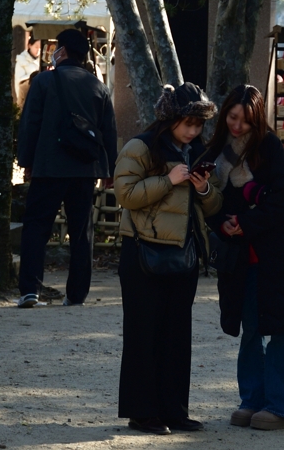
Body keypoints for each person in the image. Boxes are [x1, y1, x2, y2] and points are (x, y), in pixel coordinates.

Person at [114, 83, 222, 435]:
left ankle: (175, 411)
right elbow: (126, 194)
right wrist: (169, 179)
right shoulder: (141, 146)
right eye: (188, 123)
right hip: (142, 252)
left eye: (198, 124)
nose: (193, 131)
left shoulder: (199, 152)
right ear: (171, 119)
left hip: (184, 253)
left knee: (177, 335)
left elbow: (214, 205)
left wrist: (203, 188)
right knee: (143, 333)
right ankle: (142, 412)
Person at [204, 86, 284, 431]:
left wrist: (246, 223)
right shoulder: (216, 152)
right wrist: (223, 223)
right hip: (239, 257)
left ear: (256, 120)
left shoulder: (270, 148)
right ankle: (251, 399)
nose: (237, 126)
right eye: (233, 118)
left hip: (275, 254)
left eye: (245, 121)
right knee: (250, 329)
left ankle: (281, 406)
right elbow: (209, 202)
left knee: (279, 328)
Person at [16, 28, 117, 308]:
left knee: (37, 227)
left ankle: (30, 289)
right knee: (81, 231)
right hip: (85, 168)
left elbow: (30, 124)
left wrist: (26, 161)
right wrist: (109, 169)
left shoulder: (45, 81)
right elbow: (109, 129)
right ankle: (77, 293)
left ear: (62, 50)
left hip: (48, 167)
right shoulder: (98, 86)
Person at [14, 34, 41, 106]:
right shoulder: (21, 60)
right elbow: (19, 80)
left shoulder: (42, 60)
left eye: (40, 48)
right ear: (29, 45)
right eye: (36, 47)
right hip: (26, 94)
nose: (38, 50)